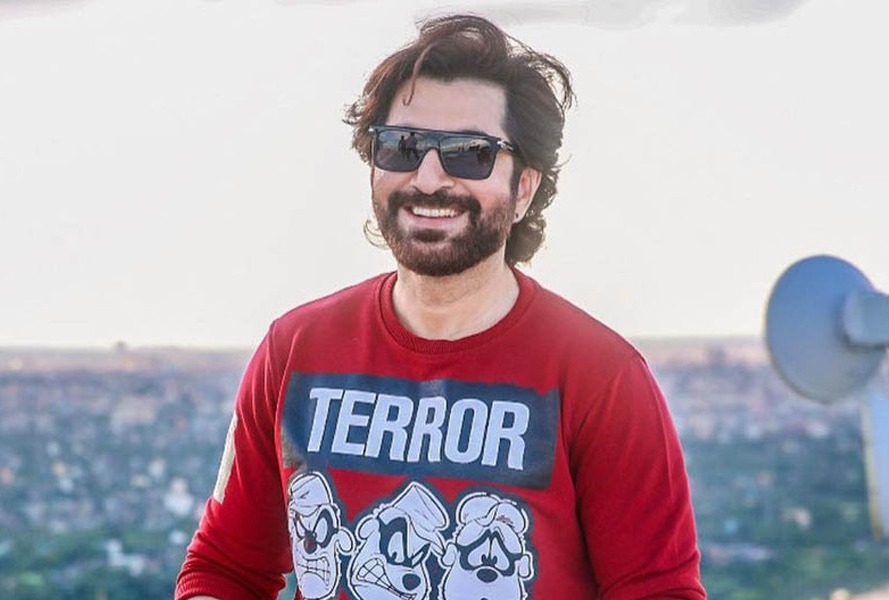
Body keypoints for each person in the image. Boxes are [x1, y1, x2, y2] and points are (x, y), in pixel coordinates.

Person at [176, 14, 705, 600]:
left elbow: (658, 590)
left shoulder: (602, 377)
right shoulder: (295, 350)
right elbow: (226, 568)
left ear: (524, 187)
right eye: (402, 147)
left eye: (470, 154)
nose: (428, 179)